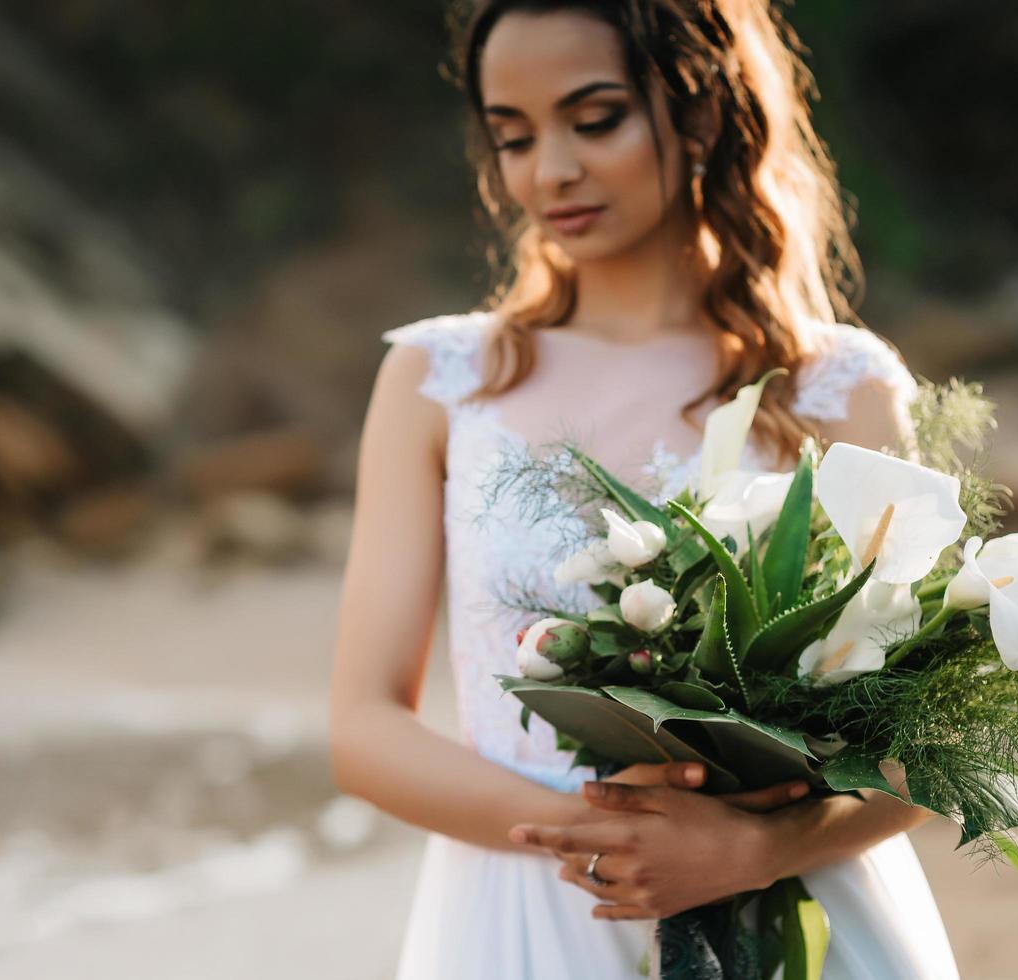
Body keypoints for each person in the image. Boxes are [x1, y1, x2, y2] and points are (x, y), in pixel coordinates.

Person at [329, 1, 959, 976]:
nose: (551, 171)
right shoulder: (439, 380)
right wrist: (603, 833)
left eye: (595, 119)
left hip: (795, 909)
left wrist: (756, 846)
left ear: (701, 114)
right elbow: (364, 725)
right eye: (513, 135)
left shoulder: (837, 387)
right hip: (524, 914)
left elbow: (937, 733)